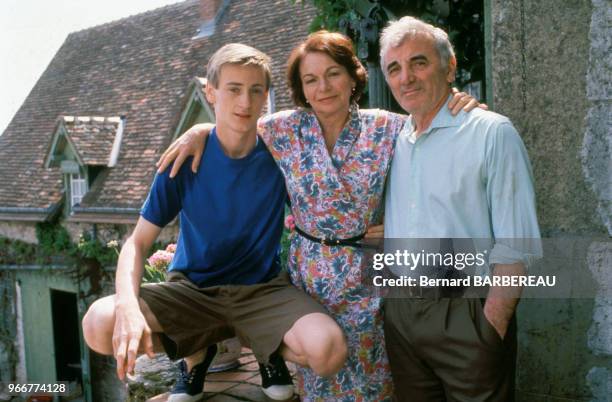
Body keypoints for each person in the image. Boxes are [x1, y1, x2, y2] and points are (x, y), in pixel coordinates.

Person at [157, 31, 482, 401]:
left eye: (333, 74)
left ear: (352, 76)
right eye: (311, 79)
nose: (323, 87)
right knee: (318, 375)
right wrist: (198, 131)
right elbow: (233, 123)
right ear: (301, 88)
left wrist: (459, 102)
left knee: (373, 377)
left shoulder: (390, 127)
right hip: (309, 274)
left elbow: (433, 167)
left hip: (368, 274)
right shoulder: (283, 129)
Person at [81, 43, 348, 402]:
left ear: (266, 95)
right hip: (193, 292)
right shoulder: (185, 159)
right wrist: (128, 306)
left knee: (328, 351)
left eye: (256, 91)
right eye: (233, 89)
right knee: (99, 324)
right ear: (211, 92)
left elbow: (328, 190)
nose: (245, 102)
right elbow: (137, 242)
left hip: (261, 291)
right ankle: (197, 352)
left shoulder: (282, 153)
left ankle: (267, 350)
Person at [380, 17, 541, 401]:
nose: (407, 78)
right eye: (394, 68)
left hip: (468, 314)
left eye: (419, 62)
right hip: (401, 316)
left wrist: (491, 326)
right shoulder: (389, 139)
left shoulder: (491, 133)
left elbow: (517, 246)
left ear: (449, 66)